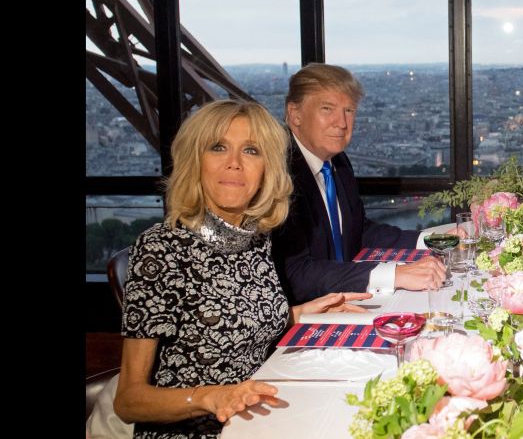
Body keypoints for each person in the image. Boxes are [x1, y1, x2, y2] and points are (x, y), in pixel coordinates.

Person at [114, 100, 372, 438]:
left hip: (257, 417)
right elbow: (129, 400)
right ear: (195, 161)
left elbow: (235, 322)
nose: (234, 164)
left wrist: (300, 313)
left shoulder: (256, 237)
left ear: (267, 168)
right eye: (218, 147)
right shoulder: (161, 249)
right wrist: (212, 397)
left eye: (251, 151)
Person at [271, 63, 444, 305]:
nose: (341, 123)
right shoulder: (278, 174)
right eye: (327, 109)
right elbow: (297, 276)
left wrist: (431, 239)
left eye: (349, 111)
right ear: (295, 114)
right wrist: (395, 275)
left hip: (344, 296)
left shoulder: (337, 162)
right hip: (303, 314)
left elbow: (358, 232)